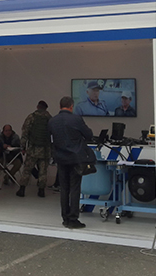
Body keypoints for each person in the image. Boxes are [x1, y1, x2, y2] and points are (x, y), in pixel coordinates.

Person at [49, 96, 93, 229]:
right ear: (71, 106)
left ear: (60, 106)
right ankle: (73, 218)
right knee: (74, 188)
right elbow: (88, 135)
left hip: (61, 158)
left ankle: (65, 218)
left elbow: (50, 139)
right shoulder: (76, 119)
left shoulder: (52, 121)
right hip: (75, 158)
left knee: (64, 188)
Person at [16, 100, 53, 198]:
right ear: (46, 108)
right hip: (45, 150)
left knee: (27, 170)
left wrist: (23, 146)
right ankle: (41, 191)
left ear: (37, 107)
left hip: (33, 149)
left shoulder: (31, 117)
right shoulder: (50, 118)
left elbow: (25, 132)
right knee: (43, 171)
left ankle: (22, 189)